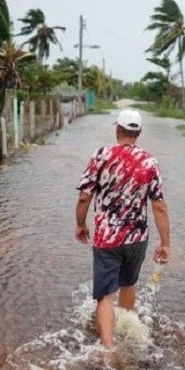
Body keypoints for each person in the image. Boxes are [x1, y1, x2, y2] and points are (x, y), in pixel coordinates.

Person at [75, 109, 170, 349]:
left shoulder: (101, 155)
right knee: (128, 284)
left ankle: (108, 351)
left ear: (117, 129)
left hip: (108, 238)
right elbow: (158, 205)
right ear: (139, 132)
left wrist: (80, 224)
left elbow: (85, 196)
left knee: (105, 295)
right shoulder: (150, 162)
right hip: (137, 237)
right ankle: (127, 334)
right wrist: (165, 243)